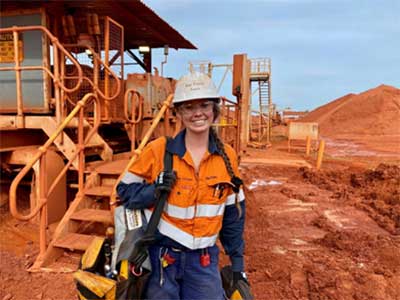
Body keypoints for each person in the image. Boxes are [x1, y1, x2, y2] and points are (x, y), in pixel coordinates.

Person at [117, 71, 248, 299]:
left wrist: (237, 265)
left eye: (204, 105)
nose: (197, 113)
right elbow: (124, 192)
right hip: (163, 258)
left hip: (204, 261)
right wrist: (154, 190)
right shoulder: (159, 150)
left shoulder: (227, 157)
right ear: (178, 112)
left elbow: (233, 217)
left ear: (214, 110)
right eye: (188, 107)